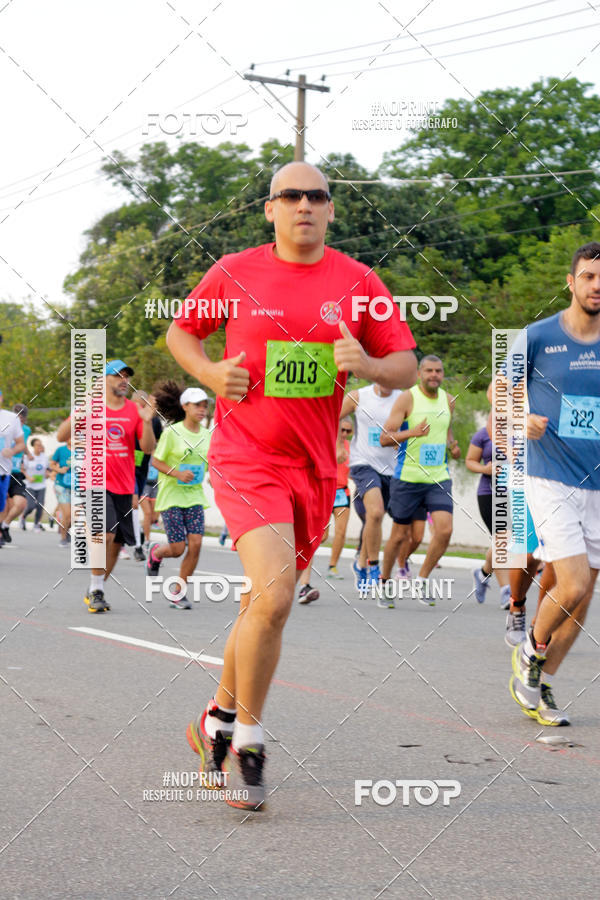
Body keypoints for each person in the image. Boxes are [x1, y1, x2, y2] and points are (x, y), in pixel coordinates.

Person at [166, 161, 417, 809]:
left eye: (317, 196)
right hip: (246, 460)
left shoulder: (359, 282)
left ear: (331, 210)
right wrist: (211, 373)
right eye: (291, 195)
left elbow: (407, 364)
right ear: (270, 209)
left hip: (313, 469)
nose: (305, 204)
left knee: (261, 605)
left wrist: (371, 364)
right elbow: (182, 331)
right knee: (276, 596)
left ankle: (213, 720)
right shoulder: (234, 271)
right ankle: (248, 740)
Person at [510, 241, 600, 727]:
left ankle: (538, 683)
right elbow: (499, 389)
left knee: (582, 598)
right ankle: (529, 652)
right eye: (588, 276)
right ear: (571, 281)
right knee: (574, 582)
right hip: (550, 476)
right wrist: (521, 415)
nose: (597, 286)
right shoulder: (538, 337)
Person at [56, 359, 156, 612]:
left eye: (127, 376)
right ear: (104, 380)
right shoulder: (91, 406)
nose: (124, 380)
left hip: (123, 484)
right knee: (105, 534)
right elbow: (61, 435)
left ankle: (95, 588)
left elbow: (147, 449)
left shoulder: (134, 410)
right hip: (95, 481)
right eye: (118, 375)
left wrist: (146, 421)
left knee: (117, 543)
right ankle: (97, 587)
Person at [380, 355, 461, 605]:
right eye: (429, 371)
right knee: (399, 535)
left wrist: (452, 446)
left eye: (438, 371)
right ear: (419, 374)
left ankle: (422, 579)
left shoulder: (449, 400)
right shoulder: (408, 398)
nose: (434, 375)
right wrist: (412, 432)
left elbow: (445, 431)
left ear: (442, 374)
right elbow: (385, 438)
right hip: (408, 478)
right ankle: (384, 582)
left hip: (438, 477)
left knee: (445, 530)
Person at [146, 384, 211, 610]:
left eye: (205, 406)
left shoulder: (207, 435)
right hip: (172, 495)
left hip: (194, 496)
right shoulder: (172, 433)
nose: (202, 410)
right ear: (185, 406)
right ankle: (156, 552)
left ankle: (178, 592)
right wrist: (177, 473)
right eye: (197, 405)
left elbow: (213, 462)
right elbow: (155, 461)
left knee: (196, 544)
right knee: (177, 548)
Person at [339, 382, 402, 593]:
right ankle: (374, 567)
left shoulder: (404, 398)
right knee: (375, 513)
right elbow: (332, 418)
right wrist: (339, 446)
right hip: (363, 463)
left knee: (374, 520)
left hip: (391, 468)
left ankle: (361, 564)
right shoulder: (358, 396)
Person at [466, 421, 511, 607]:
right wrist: (485, 469)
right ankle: (506, 591)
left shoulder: (522, 429)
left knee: (506, 539)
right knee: (503, 538)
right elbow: (470, 461)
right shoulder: (483, 434)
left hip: (516, 493)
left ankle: (483, 573)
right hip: (490, 493)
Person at [327, 417, 353, 578]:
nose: (344, 434)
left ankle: (332, 566)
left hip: (342, 493)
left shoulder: (351, 448)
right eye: (342, 429)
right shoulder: (327, 443)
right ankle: (305, 561)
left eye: (348, 431)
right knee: (320, 535)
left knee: (341, 532)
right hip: (325, 491)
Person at [0, 403, 30, 544]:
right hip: (5, 470)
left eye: (22, 418)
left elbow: (23, 445)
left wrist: (28, 455)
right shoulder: (6, 424)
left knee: (21, 503)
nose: (20, 420)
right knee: (4, 504)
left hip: (16, 472)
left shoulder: (26, 430)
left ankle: (5, 525)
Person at [21, 438, 49, 530]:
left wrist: (48, 474)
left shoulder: (45, 457)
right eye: (37, 445)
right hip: (30, 485)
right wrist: (28, 477)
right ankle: (23, 517)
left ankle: (36, 524)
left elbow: (48, 469)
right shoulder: (28, 457)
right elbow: (22, 469)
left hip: (41, 485)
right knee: (31, 506)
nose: (39, 446)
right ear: (33, 446)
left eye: (40, 444)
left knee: (40, 505)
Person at [50, 437, 72, 547]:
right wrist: (60, 470)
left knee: (75, 515)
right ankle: (63, 538)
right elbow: (52, 465)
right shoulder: (60, 450)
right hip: (61, 485)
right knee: (67, 514)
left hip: (77, 487)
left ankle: (67, 530)